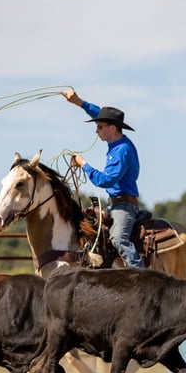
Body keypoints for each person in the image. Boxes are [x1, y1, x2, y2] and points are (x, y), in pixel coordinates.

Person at [62, 87, 145, 269]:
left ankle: (144, 277)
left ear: (112, 128)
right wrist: (78, 101)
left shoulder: (121, 151)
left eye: (99, 127)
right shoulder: (117, 143)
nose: (96, 131)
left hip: (124, 206)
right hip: (114, 204)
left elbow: (105, 180)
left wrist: (84, 164)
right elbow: (98, 112)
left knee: (118, 239)